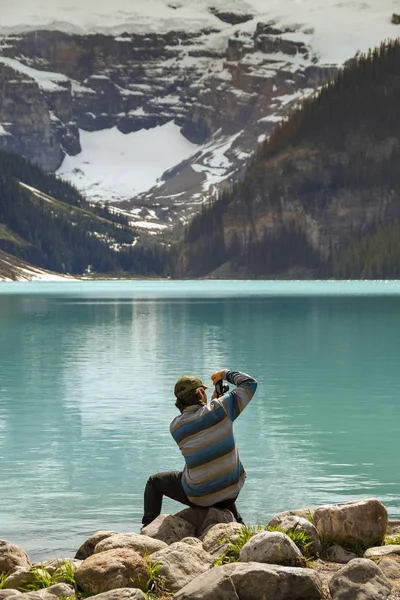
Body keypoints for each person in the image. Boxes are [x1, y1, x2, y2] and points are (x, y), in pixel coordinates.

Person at [142, 368, 257, 527]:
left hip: (199, 497)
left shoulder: (175, 427)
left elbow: (201, 425)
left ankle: (147, 528)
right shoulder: (221, 408)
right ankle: (238, 523)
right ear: (200, 393)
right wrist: (224, 373)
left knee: (154, 482)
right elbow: (250, 383)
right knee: (218, 469)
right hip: (232, 492)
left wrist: (211, 404)